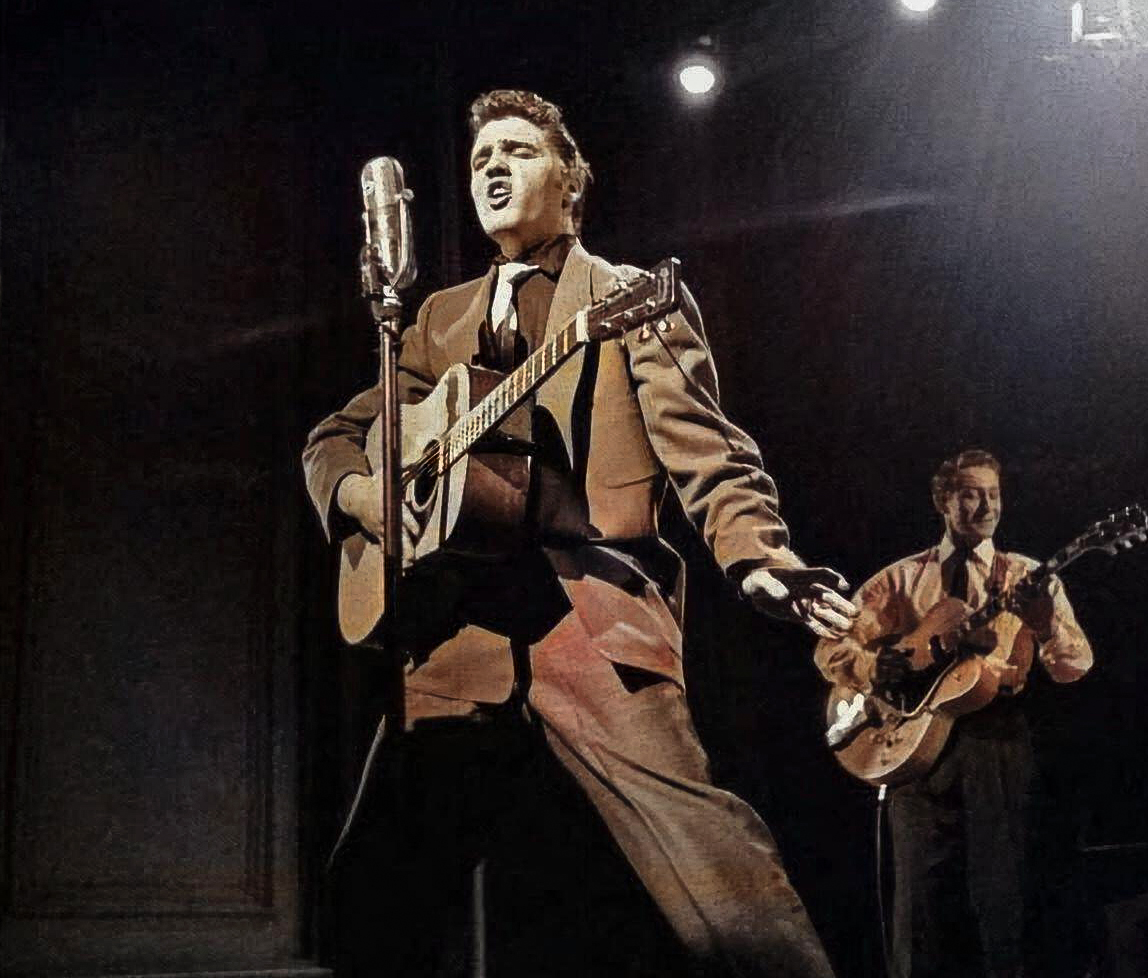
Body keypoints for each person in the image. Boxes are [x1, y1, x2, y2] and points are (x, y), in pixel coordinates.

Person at [303, 89, 856, 977]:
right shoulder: (434, 320)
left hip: (588, 614)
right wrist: (367, 501)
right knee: (371, 899)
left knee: (717, 879)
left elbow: (708, 454)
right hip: (458, 630)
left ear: (571, 182)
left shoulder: (630, 299)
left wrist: (761, 558)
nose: (491, 167)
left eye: (517, 152)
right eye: (481, 157)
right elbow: (332, 438)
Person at [814, 449, 1093, 978]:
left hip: (996, 741)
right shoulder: (899, 580)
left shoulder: (1028, 575)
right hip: (914, 751)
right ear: (944, 501)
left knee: (1005, 904)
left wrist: (1047, 625)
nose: (984, 505)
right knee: (918, 915)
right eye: (969, 492)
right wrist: (883, 669)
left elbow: (1074, 665)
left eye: (993, 494)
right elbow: (832, 650)